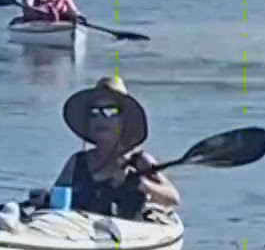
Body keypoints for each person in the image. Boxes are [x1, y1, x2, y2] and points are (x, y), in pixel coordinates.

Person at [41, 75, 180, 220]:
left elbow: (173, 198)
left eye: (110, 111)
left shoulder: (139, 161)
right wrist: (44, 197)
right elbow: (55, 197)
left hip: (125, 234)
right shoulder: (77, 163)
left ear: (123, 121)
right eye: (94, 113)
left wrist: (141, 183)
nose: (101, 119)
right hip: (78, 232)